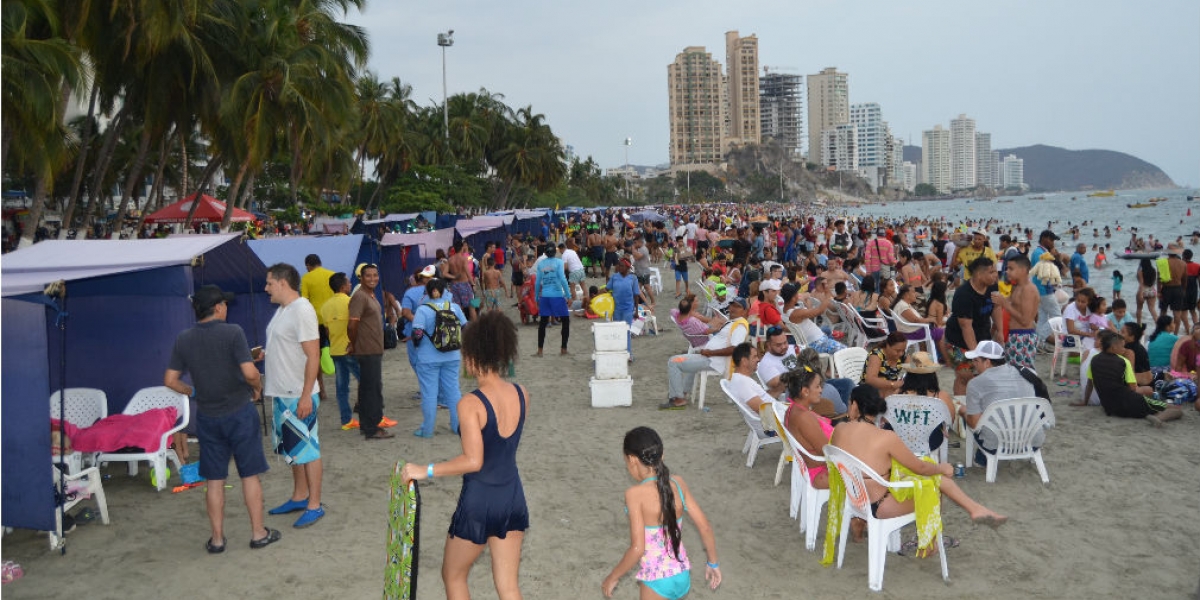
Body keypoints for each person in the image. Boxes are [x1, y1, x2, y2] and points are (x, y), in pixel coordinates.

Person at [401, 311, 528, 599]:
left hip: (479, 500)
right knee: (508, 585)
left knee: (453, 575)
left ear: (471, 356)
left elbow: (474, 461)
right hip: (512, 495)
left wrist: (425, 470)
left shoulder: (470, 403)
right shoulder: (522, 393)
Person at [827, 386, 1007, 555]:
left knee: (933, 480)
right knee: (934, 487)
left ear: (855, 405)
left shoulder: (840, 430)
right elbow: (920, 467)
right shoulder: (886, 437)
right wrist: (941, 467)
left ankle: (974, 509)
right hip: (880, 505)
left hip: (855, 498)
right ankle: (930, 543)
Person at [163, 285, 277, 552]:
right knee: (249, 475)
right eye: (224, 304)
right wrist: (257, 388)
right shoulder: (233, 332)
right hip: (239, 413)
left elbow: (169, 380)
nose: (227, 307)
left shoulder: (184, 338)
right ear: (217, 308)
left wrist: (192, 391)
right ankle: (258, 533)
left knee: (214, 479)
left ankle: (216, 540)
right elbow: (249, 373)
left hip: (208, 416)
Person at [602, 426, 721, 599]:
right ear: (662, 454)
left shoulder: (634, 495)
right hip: (682, 575)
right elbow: (705, 528)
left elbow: (637, 548)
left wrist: (613, 577)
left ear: (632, 460)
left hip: (656, 580)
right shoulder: (678, 483)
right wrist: (713, 563)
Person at [262, 263, 325, 529]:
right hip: (281, 391)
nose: (266, 288)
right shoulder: (283, 310)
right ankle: (300, 496)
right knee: (292, 449)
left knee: (307, 449)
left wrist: (306, 396)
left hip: (296, 393)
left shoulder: (302, 310)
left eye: (269, 283)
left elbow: (314, 354)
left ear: (283, 283)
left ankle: (315, 504)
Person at [661, 298, 751, 410]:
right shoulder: (733, 322)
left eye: (737, 306)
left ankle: (678, 399)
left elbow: (734, 349)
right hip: (708, 357)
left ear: (745, 311)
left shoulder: (740, 326)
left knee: (673, 361)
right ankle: (682, 393)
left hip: (712, 360)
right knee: (688, 362)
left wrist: (710, 352)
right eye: (732, 305)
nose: (732, 308)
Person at [957, 340, 1038, 460]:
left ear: (987, 363)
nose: (973, 364)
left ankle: (983, 458)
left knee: (969, 415)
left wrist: (963, 411)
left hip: (997, 445)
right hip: (1033, 440)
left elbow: (974, 424)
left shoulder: (975, 383)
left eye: (976, 360)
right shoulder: (1028, 372)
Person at [1082, 331, 1183, 426]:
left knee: (1146, 400)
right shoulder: (1123, 362)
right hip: (1128, 403)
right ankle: (1159, 418)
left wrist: (1084, 402)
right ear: (1113, 348)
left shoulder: (1094, 360)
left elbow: (1090, 384)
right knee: (1176, 410)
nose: (1124, 349)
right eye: (1122, 346)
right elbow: (1133, 389)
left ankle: (1150, 412)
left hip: (1109, 407)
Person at [411, 278, 468, 438]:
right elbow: (465, 327)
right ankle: (457, 426)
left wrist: (416, 346)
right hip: (452, 355)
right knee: (453, 392)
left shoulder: (423, 310)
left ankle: (427, 429)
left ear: (428, 292)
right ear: (445, 290)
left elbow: (417, 334)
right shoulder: (455, 308)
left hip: (428, 358)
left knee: (429, 393)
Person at [348, 263, 393, 441]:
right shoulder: (360, 297)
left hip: (372, 348)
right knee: (372, 390)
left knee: (368, 389)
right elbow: (352, 324)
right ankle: (372, 428)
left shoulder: (370, 295)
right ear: (361, 277)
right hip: (367, 349)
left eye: (375, 275)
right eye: (368, 275)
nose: (372, 278)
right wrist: (353, 343)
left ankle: (367, 425)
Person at [944, 256, 999, 395]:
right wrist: (976, 354)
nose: (995, 275)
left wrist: (1000, 332)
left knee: (983, 376)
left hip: (983, 336)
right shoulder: (963, 294)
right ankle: (960, 406)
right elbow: (966, 327)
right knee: (965, 377)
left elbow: (996, 307)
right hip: (958, 341)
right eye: (991, 272)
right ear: (980, 275)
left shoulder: (992, 285)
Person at [320, 272, 361, 430]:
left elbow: (328, 331)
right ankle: (372, 417)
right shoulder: (351, 302)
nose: (351, 285)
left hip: (335, 350)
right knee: (367, 382)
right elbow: (356, 326)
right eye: (349, 283)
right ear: (343, 287)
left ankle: (346, 421)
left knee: (341, 387)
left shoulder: (325, 307)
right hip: (351, 348)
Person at [783, 366, 832, 489]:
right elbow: (828, 451)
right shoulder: (804, 417)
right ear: (805, 391)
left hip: (813, 468)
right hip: (820, 472)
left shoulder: (793, 409)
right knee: (874, 473)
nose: (821, 390)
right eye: (817, 386)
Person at [993, 254, 1040, 373]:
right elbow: (1009, 305)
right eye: (1007, 268)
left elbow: (1025, 320)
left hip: (1023, 336)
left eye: (1011, 268)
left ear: (1023, 270)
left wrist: (1004, 303)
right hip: (1014, 335)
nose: (1007, 271)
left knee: (1022, 373)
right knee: (1013, 372)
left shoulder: (1028, 289)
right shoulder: (1017, 287)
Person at [301, 254, 335, 403]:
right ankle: (341, 383)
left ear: (308, 265)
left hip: (316, 321)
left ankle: (322, 390)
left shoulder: (307, 278)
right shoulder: (332, 274)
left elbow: (304, 301)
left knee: (316, 355)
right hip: (333, 319)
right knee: (338, 352)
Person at [533, 245, 571, 357]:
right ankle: (563, 349)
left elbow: (537, 282)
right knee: (565, 322)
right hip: (558, 295)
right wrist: (568, 295)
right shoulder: (559, 262)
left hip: (545, 296)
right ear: (555, 252)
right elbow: (563, 279)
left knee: (543, 323)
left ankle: (540, 351)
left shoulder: (541, 264)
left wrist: (536, 297)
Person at [1030, 229, 1063, 348]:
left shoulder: (1038, 252)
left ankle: (1038, 345)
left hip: (1039, 289)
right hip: (1044, 289)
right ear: (1044, 239)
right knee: (1057, 317)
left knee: (1043, 318)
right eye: (1052, 240)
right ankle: (1039, 339)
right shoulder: (1040, 253)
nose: (1053, 243)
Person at [608, 258, 642, 357]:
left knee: (626, 331)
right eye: (618, 265)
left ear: (627, 267)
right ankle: (618, 352)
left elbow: (636, 295)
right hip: (616, 309)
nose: (619, 267)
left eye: (622, 265)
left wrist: (636, 310)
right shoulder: (614, 277)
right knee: (617, 331)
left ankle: (628, 354)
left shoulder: (633, 278)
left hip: (628, 309)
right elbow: (607, 289)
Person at [727, 343, 772, 412]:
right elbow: (765, 411)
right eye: (755, 357)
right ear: (744, 361)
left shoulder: (741, 379)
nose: (758, 359)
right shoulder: (742, 383)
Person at [860, 332, 908, 397]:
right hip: (870, 391)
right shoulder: (877, 355)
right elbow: (870, 379)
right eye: (897, 350)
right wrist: (892, 384)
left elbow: (913, 368)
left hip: (889, 390)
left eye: (903, 350)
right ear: (888, 346)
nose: (901, 353)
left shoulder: (902, 356)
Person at [1135, 257, 1159, 324]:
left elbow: (1141, 283)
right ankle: (1158, 325)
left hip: (1143, 290)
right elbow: (1154, 282)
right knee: (1152, 309)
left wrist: (1140, 294)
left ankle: (1139, 325)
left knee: (1139, 309)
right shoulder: (1153, 270)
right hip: (1152, 290)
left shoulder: (1140, 272)